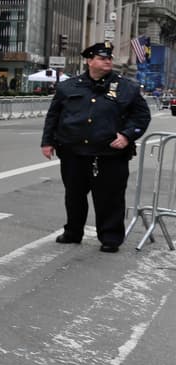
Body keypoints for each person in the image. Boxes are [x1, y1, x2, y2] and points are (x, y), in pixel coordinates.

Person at [41, 40, 151, 252]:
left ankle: (110, 238)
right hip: (74, 153)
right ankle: (73, 232)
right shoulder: (68, 86)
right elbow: (54, 116)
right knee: (74, 196)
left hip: (109, 154)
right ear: (89, 61)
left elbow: (141, 116)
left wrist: (127, 136)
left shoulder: (127, 87)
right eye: (102, 58)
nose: (107, 61)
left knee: (110, 199)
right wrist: (47, 142)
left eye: (109, 58)